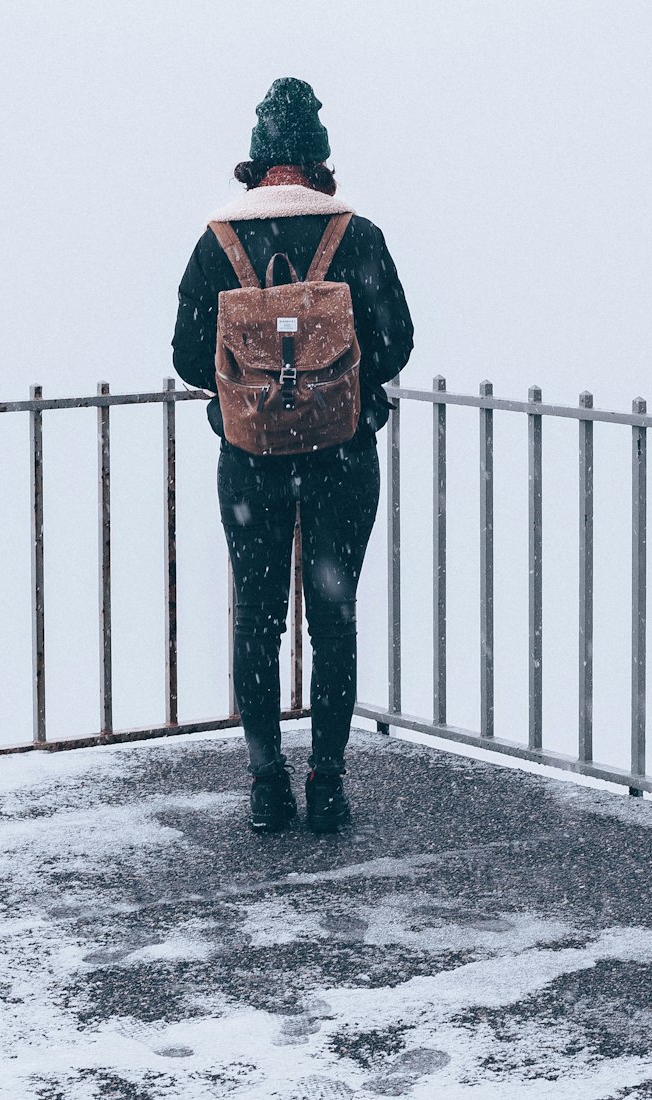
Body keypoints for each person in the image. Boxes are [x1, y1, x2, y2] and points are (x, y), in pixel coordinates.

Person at [172, 78, 414, 832]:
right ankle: (329, 780)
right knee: (333, 618)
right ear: (318, 161)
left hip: (252, 460)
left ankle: (267, 781)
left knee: (259, 620)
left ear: (255, 163)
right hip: (343, 456)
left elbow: (186, 356)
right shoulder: (358, 236)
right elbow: (397, 342)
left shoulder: (219, 242)